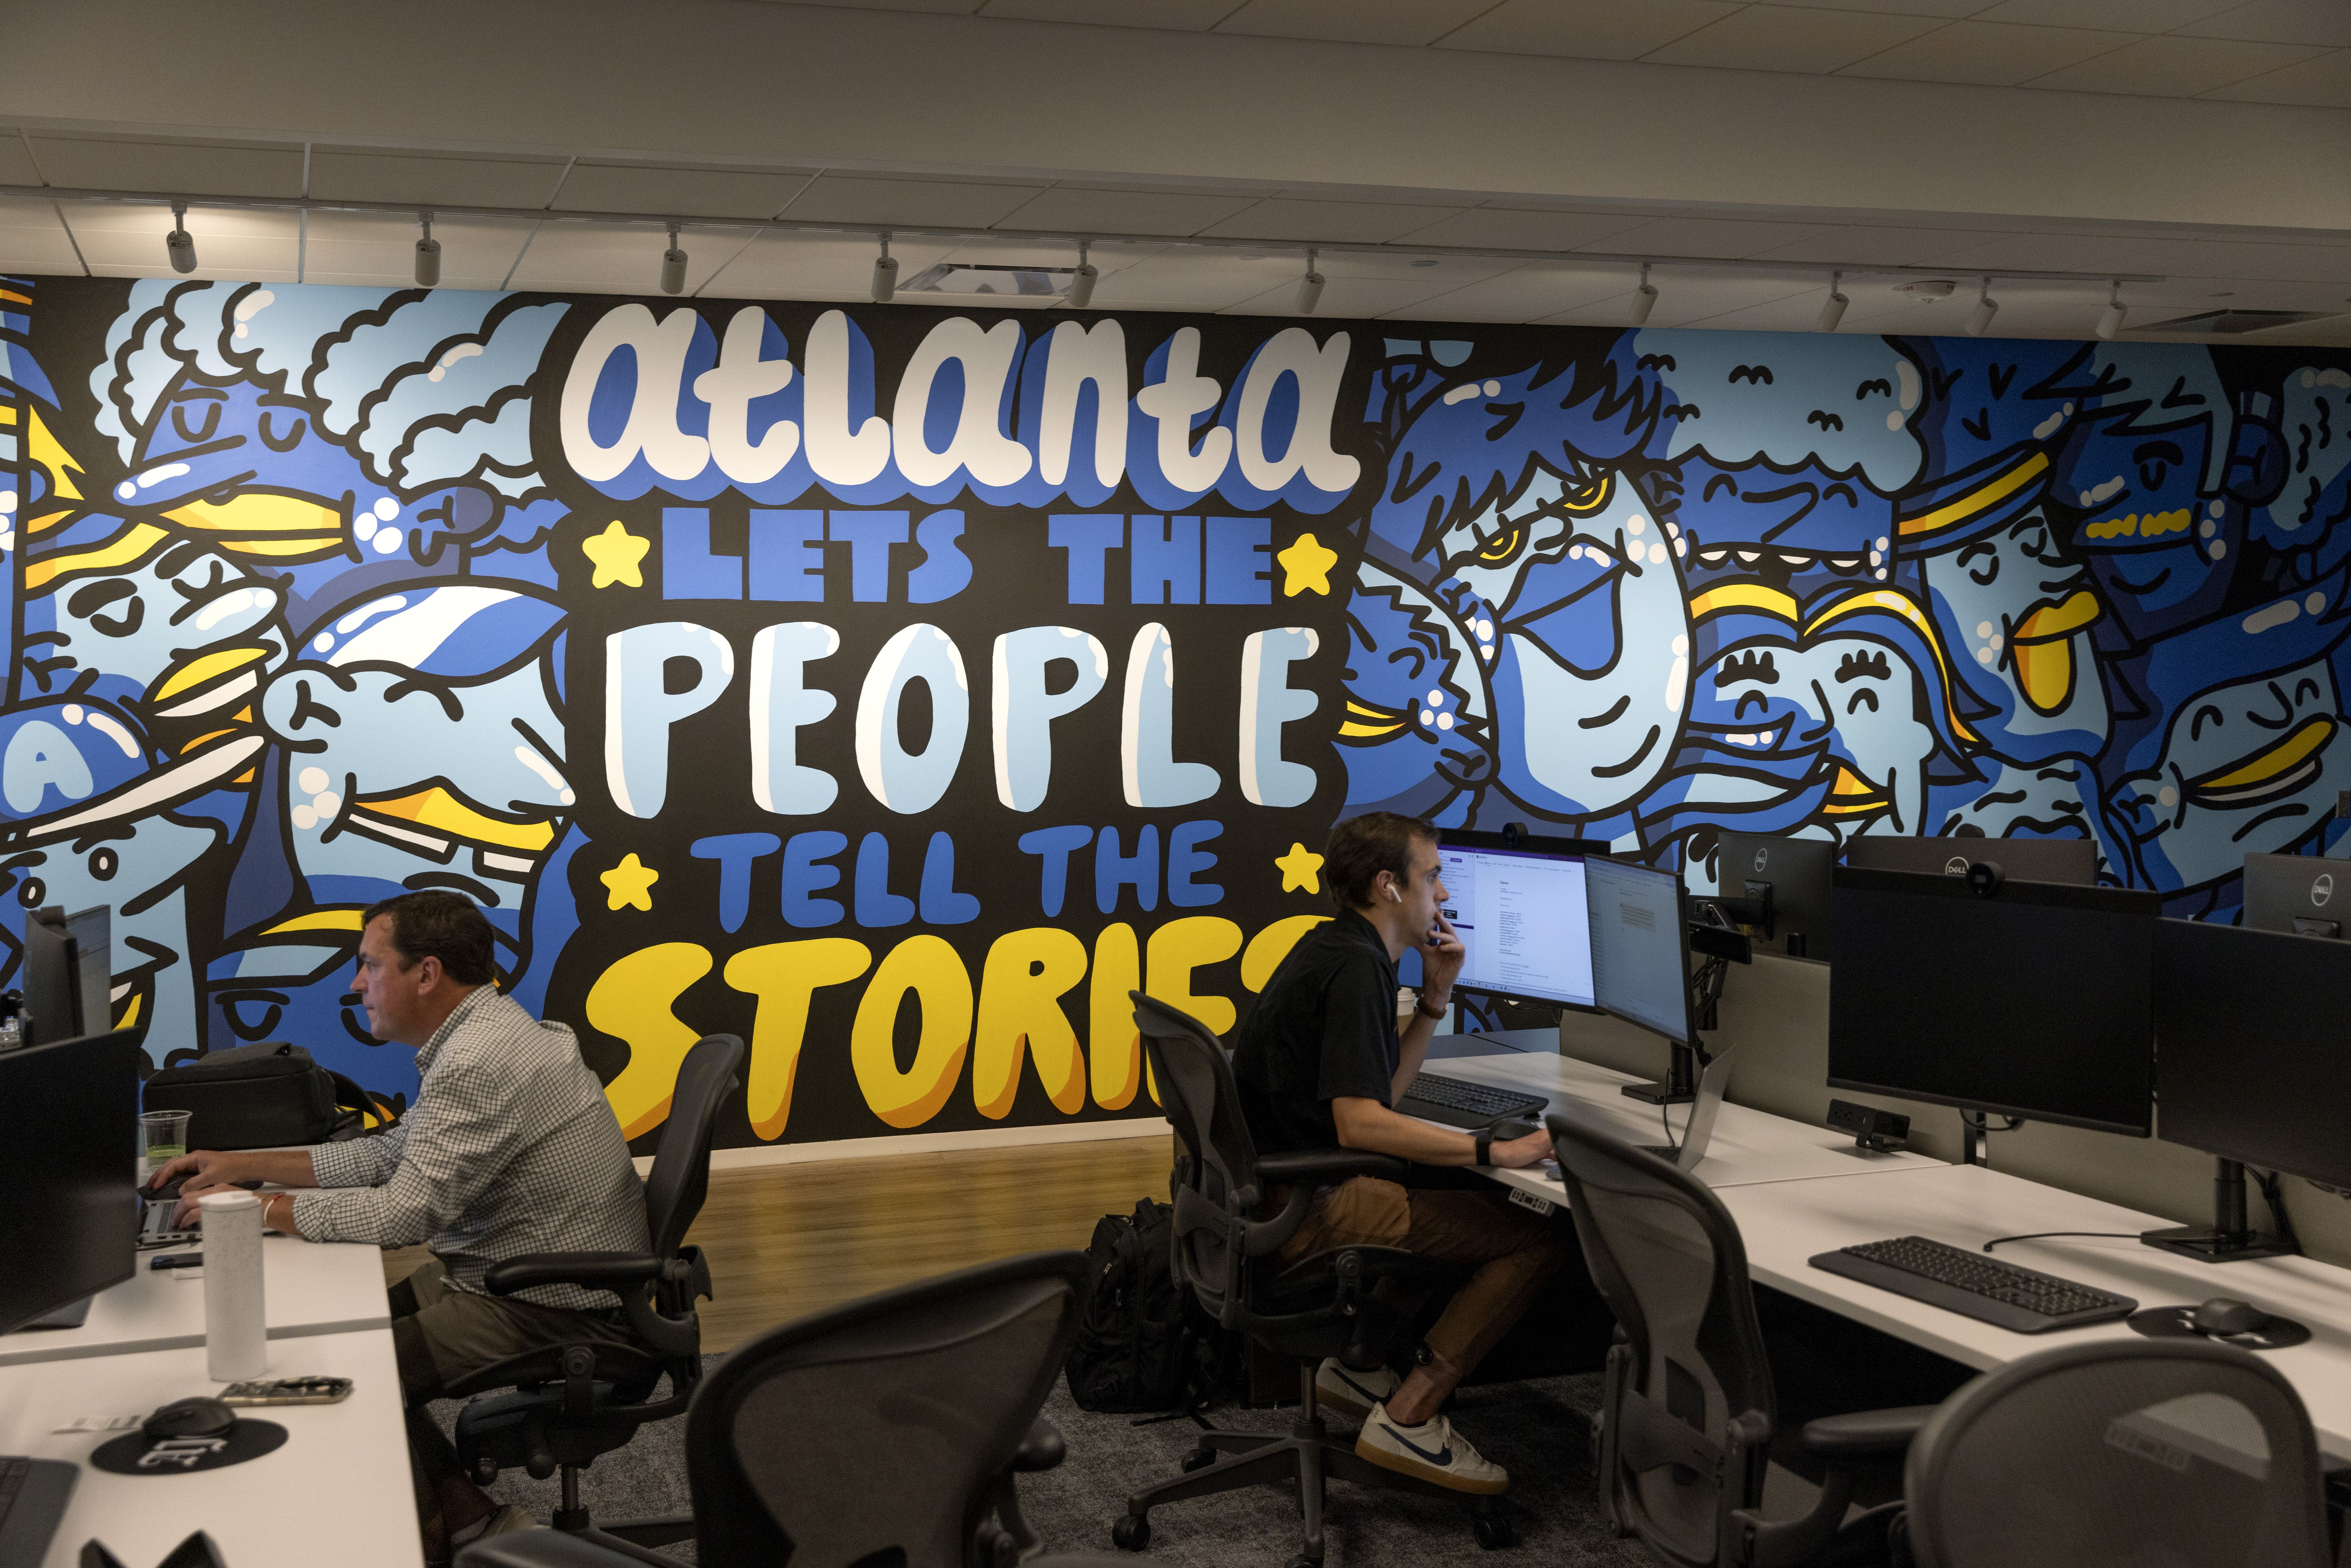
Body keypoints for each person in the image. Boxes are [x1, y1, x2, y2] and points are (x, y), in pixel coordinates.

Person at [150, 891, 652, 1563]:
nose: (357, 983)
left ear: (426, 973)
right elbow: (388, 1156)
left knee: (353, 1368)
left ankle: (422, 1543)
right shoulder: (482, 1035)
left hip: (551, 1305)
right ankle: (472, 1521)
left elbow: (403, 1213)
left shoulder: (479, 1061)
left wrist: (251, 1209)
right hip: (519, 1275)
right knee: (346, 1331)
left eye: (369, 963)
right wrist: (239, 1164)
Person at [1229, 812, 1567, 1496]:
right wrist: (1490, 1152)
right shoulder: (1357, 971)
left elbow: (1375, 1098)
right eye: (1433, 877)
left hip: (1276, 1201)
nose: (1443, 896)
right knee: (1535, 1238)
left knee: (1446, 1204)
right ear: (1387, 886)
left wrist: (1434, 1000)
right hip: (1311, 1211)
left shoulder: (1335, 948)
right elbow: (1359, 1127)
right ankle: (1410, 1414)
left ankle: (1359, 1369)